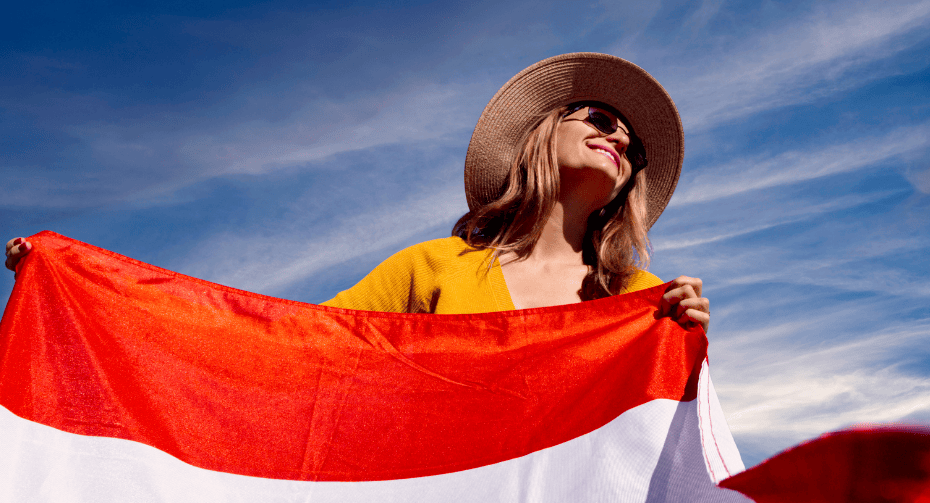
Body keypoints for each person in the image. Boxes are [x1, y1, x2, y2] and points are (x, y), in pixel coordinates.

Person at [7, 53, 709, 330]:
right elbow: (293, 341)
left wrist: (685, 348)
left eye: (634, 147)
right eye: (600, 119)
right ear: (540, 136)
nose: (619, 138)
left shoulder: (638, 297)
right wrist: (88, 290)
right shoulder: (434, 269)